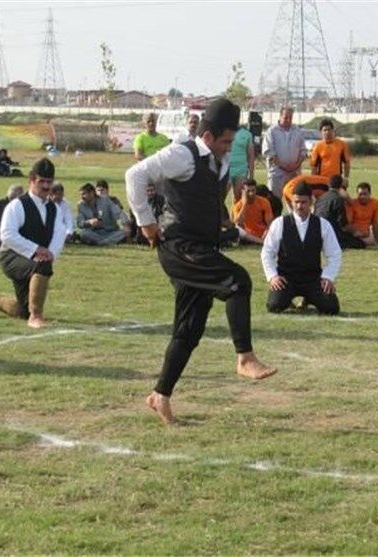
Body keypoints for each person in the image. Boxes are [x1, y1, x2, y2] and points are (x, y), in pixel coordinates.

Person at [125, 98, 276, 425]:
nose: (229, 148)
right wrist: (145, 222)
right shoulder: (182, 154)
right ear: (208, 136)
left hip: (201, 246)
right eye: (225, 142)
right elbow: (135, 174)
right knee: (238, 281)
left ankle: (160, 395)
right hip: (178, 245)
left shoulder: (220, 161)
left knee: (189, 328)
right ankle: (245, 357)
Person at [0, 159, 67, 329]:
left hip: (35, 258)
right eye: (41, 181)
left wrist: (51, 252)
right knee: (43, 265)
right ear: (31, 180)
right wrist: (36, 250)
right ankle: (36, 316)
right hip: (11, 256)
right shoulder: (17, 205)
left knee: (23, 311)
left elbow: (59, 233)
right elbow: (6, 235)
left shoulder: (55, 208)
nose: (46, 186)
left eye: (49, 182)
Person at [261, 182, 342, 315]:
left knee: (331, 308)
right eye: (296, 202)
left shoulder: (323, 225)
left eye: (303, 202)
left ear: (311, 202)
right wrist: (273, 276)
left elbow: (335, 254)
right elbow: (267, 252)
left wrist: (328, 277)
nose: (299, 206)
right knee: (274, 306)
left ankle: (309, 298)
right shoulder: (279, 223)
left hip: (313, 279)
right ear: (291, 202)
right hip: (287, 279)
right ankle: (287, 299)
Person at [262, 106, 306, 199]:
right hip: (277, 174)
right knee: (274, 201)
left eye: (290, 117)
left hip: (294, 173)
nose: (288, 120)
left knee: (295, 201)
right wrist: (283, 166)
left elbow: (303, 151)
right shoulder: (271, 131)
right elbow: (269, 152)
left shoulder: (298, 131)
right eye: (286, 117)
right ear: (280, 116)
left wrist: (296, 165)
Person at [314, 175, 365, 250]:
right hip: (331, 233)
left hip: (317, 233)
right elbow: (343, 225)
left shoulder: (321, 198)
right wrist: (356, 231)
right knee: (360, 243)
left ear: (328, 185)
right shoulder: (338, 199)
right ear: (341, 186)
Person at [231, 179, 274, 244]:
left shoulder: (264, 202)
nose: (251, 193)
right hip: (247, 235)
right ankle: (262, 242)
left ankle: (261, 241)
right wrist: (244, 204)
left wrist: (267, 231)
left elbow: (269, 223)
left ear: (256, 190)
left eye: (253, 190)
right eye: (248, 191)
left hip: (262, 233)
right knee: (238, 230)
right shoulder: (238, 206)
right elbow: (238, 222)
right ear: (243, 192)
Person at [229, 125, 255, 202]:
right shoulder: (224, 131)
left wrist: (251, 174)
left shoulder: (247, 134)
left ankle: (235, 210)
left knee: (238, 199)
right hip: (225, 170)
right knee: (220, 198)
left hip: (241, 171)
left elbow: (251, 155)